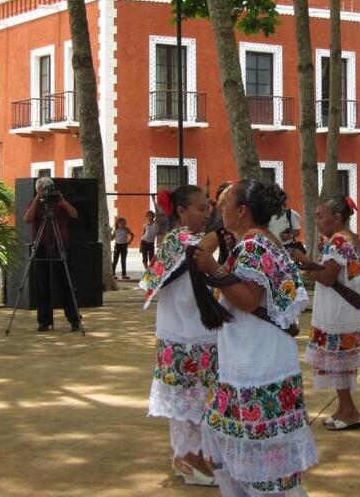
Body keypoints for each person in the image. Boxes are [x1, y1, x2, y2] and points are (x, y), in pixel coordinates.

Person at [192, 180, 317, 496]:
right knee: (254, 450)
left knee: (253, 451)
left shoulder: (252, 246)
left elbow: (248, 300)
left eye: (226, 204)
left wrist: (213, 267)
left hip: (255, 363)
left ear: (242, 211)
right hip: (264, 357)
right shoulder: (269, 242)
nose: (222, 210)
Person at [140, 186, 218, 486]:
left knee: (197, 400)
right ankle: (188, 457)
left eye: (208, 206)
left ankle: (190, 456)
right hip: (184, 336)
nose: (207, 212)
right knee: (190, 401)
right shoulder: (178, 240)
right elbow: (198, 252)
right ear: (181, 211)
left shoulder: (189, 239)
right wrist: (225, 228)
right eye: (201, 208)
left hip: (193, 331)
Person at [292, 195, 360, 431]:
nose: (316, 220)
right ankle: (345, 408)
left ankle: (349, 410)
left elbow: (327, 277)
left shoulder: (338, 241)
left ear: (337, 218)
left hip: (335, 312)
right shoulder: (352, 238)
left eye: (320, 215)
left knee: (337, 361)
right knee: (340, 363)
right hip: (344, 311)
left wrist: (306, 264)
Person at [23, 176, 81, 332]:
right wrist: (37, 199)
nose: (46, 193)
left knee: (67, 285)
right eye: (42, 190)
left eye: (47, 189)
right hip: (41, 247)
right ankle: (44, 321)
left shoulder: (59, 203)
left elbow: (74, 214)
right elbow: (27, 218)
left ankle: (74, 320)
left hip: (59, 246)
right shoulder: (35, 204)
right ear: (37, 190)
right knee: (43, 286)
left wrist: (62, 201)